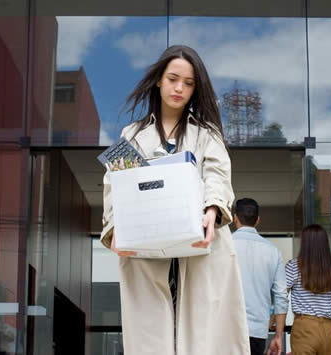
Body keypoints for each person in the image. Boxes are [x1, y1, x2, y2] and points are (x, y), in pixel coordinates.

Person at [100, 44, 249, 354]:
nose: (180, 88)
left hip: (201, 248)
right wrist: (115, 227)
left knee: (205, 336)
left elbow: (218, 174)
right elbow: (115, 185)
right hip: (147, 250)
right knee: (151, 336)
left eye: (189, 83)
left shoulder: (207, 133)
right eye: (173, 78)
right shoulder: (132, 135)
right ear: (158, 80)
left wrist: (212, 209)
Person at [231, 198, 288, 355]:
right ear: (257, 220)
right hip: (257, 331)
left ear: (235, 217)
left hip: (226, 329)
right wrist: (278, 336)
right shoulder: (273, 251)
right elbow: (281, 295)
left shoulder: (224, 246)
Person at [287, 224, 331, 355]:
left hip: (305, 327)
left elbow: (282, 298)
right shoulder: (330, 271)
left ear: (305, 243)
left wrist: (272, 321)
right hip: (328, 330)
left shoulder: (294, 266)